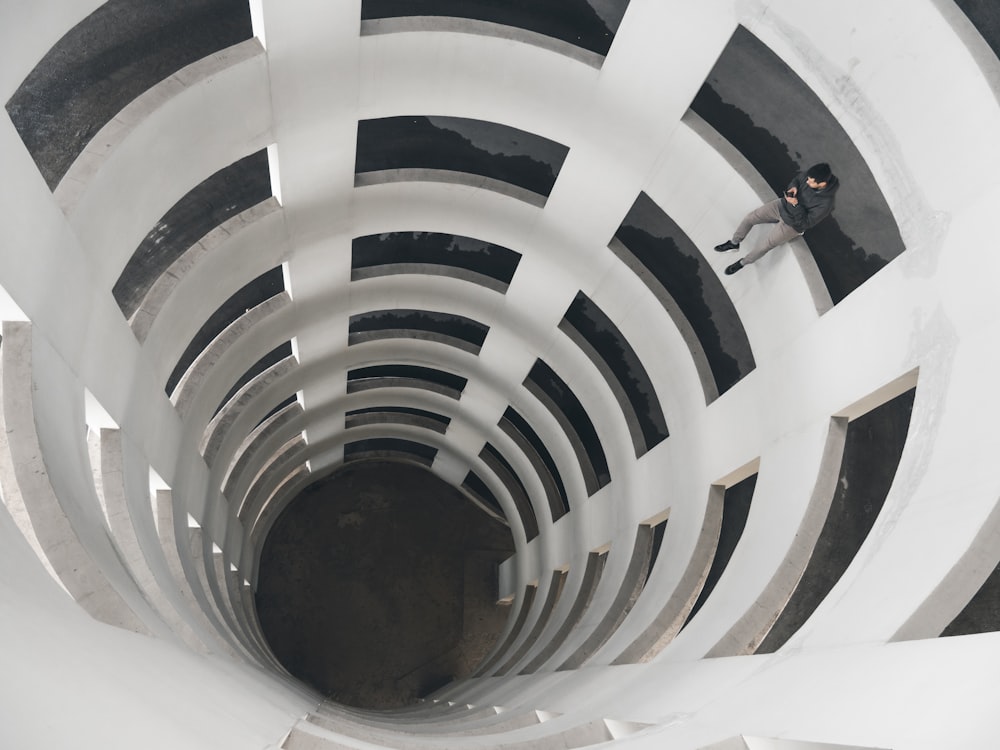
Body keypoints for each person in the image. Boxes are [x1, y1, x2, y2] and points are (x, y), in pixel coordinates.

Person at [713, 163, 840, 275]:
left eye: (811, 182)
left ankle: (742, 263)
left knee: (764, 245)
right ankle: (734, 243)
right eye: (808, 179)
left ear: (822, 184)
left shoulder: (826, 204)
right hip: (782, 205)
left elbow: (805, 223)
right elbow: (797, 180)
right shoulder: (811, 175)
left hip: (792, 225)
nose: (807, 182)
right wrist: (793, 187)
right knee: (750, 218)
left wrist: (795, 204)